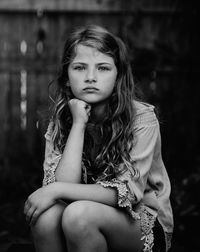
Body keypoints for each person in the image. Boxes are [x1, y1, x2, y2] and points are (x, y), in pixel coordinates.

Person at [24, 25, 173, 252]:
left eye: (103, 68)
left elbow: (127, 193)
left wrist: (55, 190)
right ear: (66, 78)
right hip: (81, 213)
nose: (91, 77)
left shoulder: (141, 118)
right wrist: (78, 125)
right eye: (80, 68)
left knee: (78, 215)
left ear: (118, 76)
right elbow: (65, 183)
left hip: (139, 222)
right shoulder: (62, 121)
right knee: (45, 217)